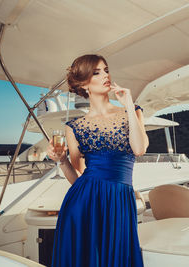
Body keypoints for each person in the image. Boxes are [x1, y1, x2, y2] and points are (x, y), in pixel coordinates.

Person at [47, 54, 148, 267]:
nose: (105, 75)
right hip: (82, 202)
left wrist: (129, 104)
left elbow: (139, 149)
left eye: (106, 70)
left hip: (119, 199)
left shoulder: (132, 112)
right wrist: (62, 160)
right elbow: (78, 177)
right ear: (84, 84)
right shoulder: (74, 127)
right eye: (96, 72)